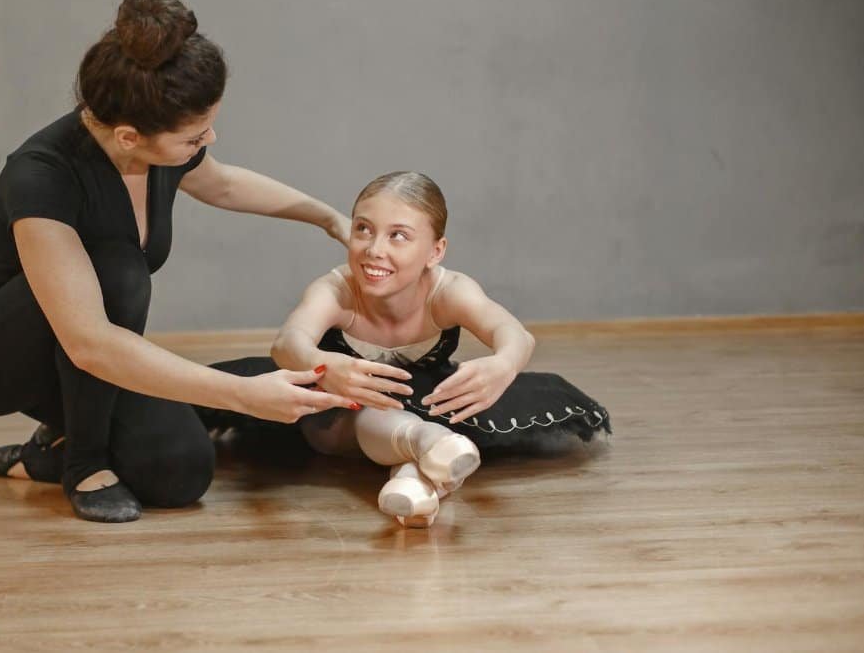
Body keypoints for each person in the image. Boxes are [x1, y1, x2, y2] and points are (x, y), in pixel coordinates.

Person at [0, 0, 374, 524]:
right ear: (128, 136)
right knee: (119, 271)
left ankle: (47, 452)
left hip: (82, 352)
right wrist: (240, 395)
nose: (210, 138)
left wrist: (330, 219)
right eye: (195, 135)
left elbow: (226, 185)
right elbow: (89, 341)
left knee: (179, 467)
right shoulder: (42, 177)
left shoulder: (159, 150)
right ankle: (82, 464)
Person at [212, 171, 610, 527]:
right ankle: (427, 446)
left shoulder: (448, 291)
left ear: (435, 252)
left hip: (419, 401)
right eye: (364, 229)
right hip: (335, 415)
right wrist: (320, 363)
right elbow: (288, 341)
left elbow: (513, 332)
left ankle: (412, 483)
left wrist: (503, 364)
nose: (374, 250)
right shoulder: (337, 288)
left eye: (398, 236)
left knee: (401, 406)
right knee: (371, 403)